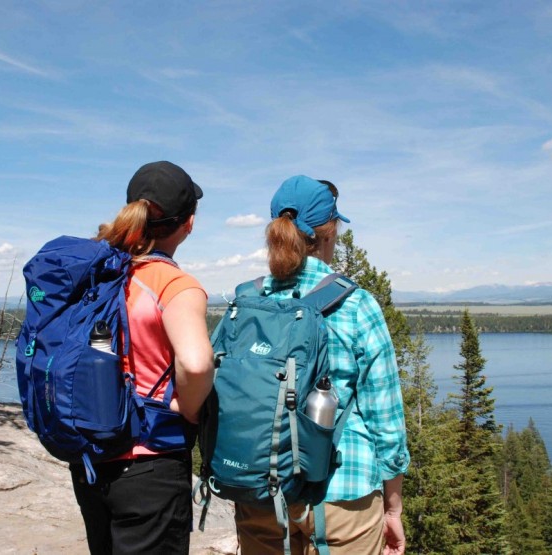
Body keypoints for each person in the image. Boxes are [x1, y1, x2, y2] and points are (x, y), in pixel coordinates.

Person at [233, 175, 410, 555]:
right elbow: (386, 418)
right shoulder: (356, 305)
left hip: (258, 489)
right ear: (329, 234)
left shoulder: (246, 302)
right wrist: (393, 506)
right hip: (343, 494)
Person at [69, 161, 214, 555]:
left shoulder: (98, 273)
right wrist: (187, 406)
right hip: (150, 464)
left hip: (92, 458)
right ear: (188, 224)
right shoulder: (174, 284)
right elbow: (197, 363)